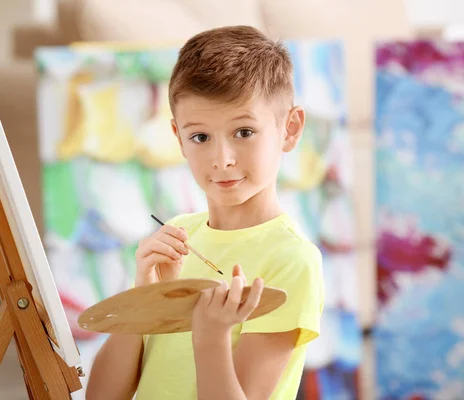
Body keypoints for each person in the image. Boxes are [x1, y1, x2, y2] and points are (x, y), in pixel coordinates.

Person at [86, 25, 324, 400]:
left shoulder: (292, 260)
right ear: (179, 138)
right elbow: (101, 396)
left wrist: (210, 337)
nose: (222, 160)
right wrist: (143, 296)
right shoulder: (180, 237)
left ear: (290, 129)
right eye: (200, 137)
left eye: (244, 132)